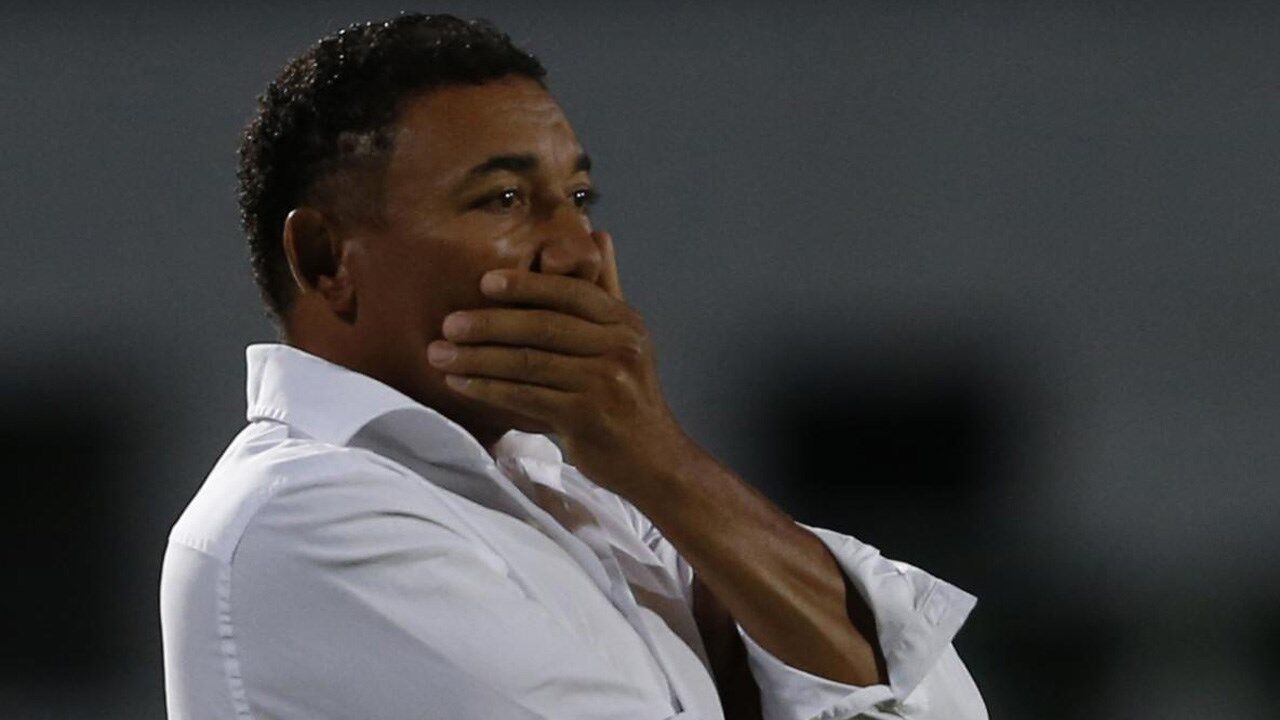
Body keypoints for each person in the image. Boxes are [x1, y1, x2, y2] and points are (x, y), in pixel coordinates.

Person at [159, 13, 987, 720]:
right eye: (504, 200)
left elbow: (935, 700)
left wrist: (658, 463)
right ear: (325, 258)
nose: (577, 253)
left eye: (579, 199)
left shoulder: (591, 496)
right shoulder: (303, 513)